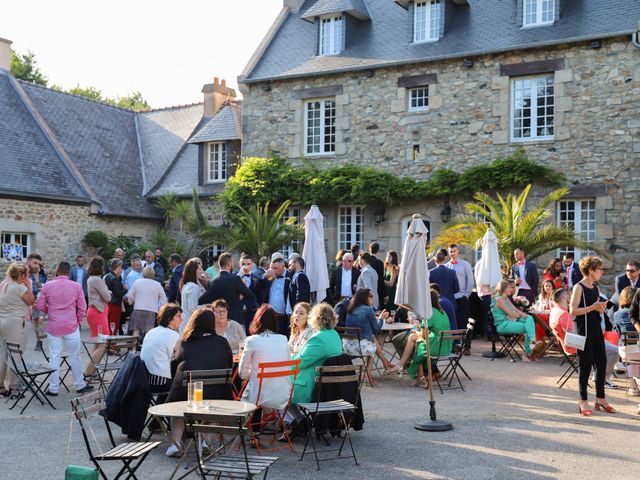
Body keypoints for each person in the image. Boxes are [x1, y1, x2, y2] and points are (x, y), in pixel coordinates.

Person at [164, 308, 233, 457]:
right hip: (217, 395)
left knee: (178, 402)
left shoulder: (184, 342)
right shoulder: (222, 342)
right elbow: (229, 365)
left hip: (189, 395)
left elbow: (173, 366)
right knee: (212, 401)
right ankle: (205, 441)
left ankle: (175, 444)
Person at [36, 261, 93, 396]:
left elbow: (41, 306)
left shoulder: (47, 286)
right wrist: (77, 320)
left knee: (54, 356)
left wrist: (50, 310)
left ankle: (53, 388)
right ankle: (79, 384)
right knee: (75, 356)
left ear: (57, 270)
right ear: (68, 272)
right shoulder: (76, 286)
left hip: (54, 325)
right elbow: (82, 308)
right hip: (71, 325)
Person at [569, 256, 615, 416]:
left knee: (601, 361)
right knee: (585, 365)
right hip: (583, 330)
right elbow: (572, 310)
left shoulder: (595, 288)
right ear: (590, 271)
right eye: (599, 269)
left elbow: (596, 308)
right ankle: (583, 401)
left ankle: (601, 398)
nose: (602, 272)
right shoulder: (578, 287)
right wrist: (591, 307)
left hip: (595, 328)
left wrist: (600, 308)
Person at [238, 305, 291, 414]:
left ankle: (245, 426)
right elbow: (287, 366)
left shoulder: (251, 340)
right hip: (282, 394)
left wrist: (253, 374)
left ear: (256, 320)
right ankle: (268, 423)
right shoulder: (283, 339)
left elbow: (242, 373)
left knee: (248, 388)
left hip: (259, 396)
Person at [291, 303, 343, 405]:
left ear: (316, 319)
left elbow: (299, 362)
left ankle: (298, 420)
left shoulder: (318, 338)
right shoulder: (334, 335)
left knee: (273, 383)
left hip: (309, 387)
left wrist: (286, 356)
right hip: (329, 388)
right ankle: (298, 420)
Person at [343, 289, 399, 382]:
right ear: (365, 298)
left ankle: (385, 362)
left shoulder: (350, 309)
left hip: (346, 346)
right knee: (372, 346)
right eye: (371, 296)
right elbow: (376, 330)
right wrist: (381, 318)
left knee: (372, 339)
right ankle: (367, 375)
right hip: (359, 348)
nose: (373, 298)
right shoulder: (368, 309)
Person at [0, 263, 35, 397]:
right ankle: (14, 388)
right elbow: (31, 301)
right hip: (15, 322)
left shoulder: (3, 284)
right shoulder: (20, 287)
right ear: (22, 274)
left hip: (2, 320)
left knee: (4, 354)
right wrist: (29, 286)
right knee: (16, 354)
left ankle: (1, 386)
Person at [407, 289, 454, 387]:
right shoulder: (442, 312)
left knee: (417, 343)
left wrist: (418, 332)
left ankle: (420, 377)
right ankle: (422, 375)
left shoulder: (428, 314)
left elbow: (424, 336)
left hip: (437, 348)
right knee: (417, 341)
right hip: (447, 347)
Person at [491, 279, 545, 361]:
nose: (512, 290)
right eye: (509, 288)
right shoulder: (499, 299)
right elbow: (510, 313)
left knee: (530, 318)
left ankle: (533, 341)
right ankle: (527, 353)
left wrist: (524, 315)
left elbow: (515, 309)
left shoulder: (505, 297)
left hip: (510, 321)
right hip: (502, 325)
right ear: (503, 288)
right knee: (528, 327)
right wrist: (521, 315)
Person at [198, 252, 256, 328]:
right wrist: (240, 294)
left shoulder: (211, 281)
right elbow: (251, 295)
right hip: (235, 321)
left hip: (218, 320)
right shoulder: (235, 279)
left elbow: (202, 300)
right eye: (233, 263)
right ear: (229, 264)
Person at [140, 303, 182, 394]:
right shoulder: (172, 334)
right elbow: (176, 360)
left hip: (145, 380)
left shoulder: (152, 331)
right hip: (161, 382)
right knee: (191, 382)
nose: (181, 319)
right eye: (178, 316)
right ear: (169, 318)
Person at [84, 256, 112, 379]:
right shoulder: (97, 280)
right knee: (103, 344)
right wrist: (109, 292)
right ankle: (88, 372)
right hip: (98, 313)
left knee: (97, 344)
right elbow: (108, 297)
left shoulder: (91, 278)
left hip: (94, 312)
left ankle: (93, 372)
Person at [612, 287, 640, 397]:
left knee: (631, 357)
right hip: (637, 347)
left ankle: (633, 388)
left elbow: (618, 332)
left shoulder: (617, 314)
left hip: (625, 350)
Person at [125, 266, 167, 338]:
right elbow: (163, 299)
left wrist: (132, 302)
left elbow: (130, 295)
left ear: (143, 273)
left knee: (136, 330)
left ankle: (134, 348)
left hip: (138, 308)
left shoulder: (137, 282)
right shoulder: (157, 284)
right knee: (149, 332)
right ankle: (146, 348)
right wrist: (159, 308)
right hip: (151, 310)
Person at [256, 257, 292, 336]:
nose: (272, 270)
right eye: (271, 268)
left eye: (275, 268)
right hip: (270, 316)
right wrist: (264, 276)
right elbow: (256, 288)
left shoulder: (290, 276)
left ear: (283, 267)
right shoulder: (269, 277)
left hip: (284, 317)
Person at [446, 244, 474, 331]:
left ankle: (464, 343)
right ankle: (455, 342)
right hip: (451, 299)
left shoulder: (465, 264)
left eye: (454, 251)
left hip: (462, 297)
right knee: (452, 321)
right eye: (451, 251)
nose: (452, 253)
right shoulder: (446, 266)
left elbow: (470, 280)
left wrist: (466, 295)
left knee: (463, 321)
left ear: (458, 251)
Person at [179, 258, 206, 332]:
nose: (202, 272)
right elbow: (193, 309)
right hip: (190, 323)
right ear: (194, 271)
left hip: (186, 322)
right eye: (200, 269)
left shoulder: (187, 285)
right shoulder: (193, 287)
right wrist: (208, 306)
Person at [237, 253, 259, 332]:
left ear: (252, 265)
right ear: (239, 265)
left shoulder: (256, 278)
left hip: (252, 312)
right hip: (238, 312)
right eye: (243, 264)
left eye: (248, 264)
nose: (245, 266)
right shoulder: (234, 277)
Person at [104, 258, 126, 335]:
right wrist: (125, 289)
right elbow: (118, 293)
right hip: (115, 304)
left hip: (108, 303)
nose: (121, 269)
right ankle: (112, 344)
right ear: (117, 267)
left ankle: (109, 343)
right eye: (120, 267)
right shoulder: (115, 279)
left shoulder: (107, 276)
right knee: (113, 325)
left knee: (109, 323)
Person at [367, 242, 386, 309]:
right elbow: (381, 279)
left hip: (364, 292)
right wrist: (384, 294)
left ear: (369, 249)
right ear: (378, 251)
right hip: (376, 291)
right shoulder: (379, 263)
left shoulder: (365, 261)